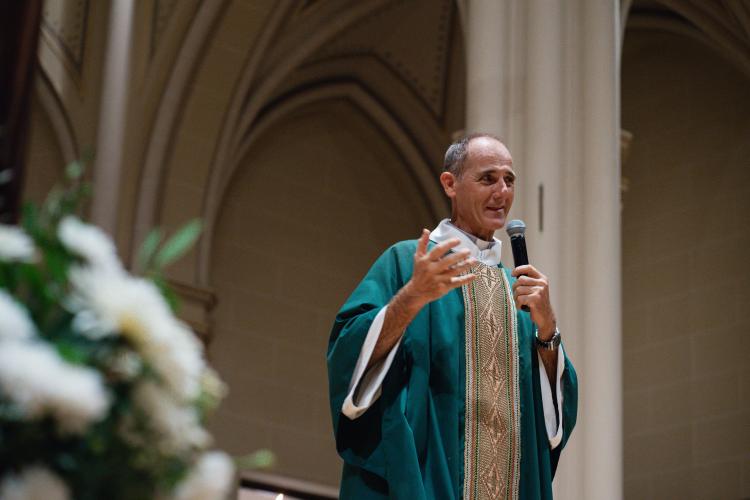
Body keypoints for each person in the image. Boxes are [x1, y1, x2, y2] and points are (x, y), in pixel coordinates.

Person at [327, 133, 578, 500]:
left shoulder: (519, 290)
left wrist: (547, 329)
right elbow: (347, 352)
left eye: (509, 180)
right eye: (487, 178)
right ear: (450, 184)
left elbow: (552, 422)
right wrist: (412, 297)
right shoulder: (408, 262)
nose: (502, 191)